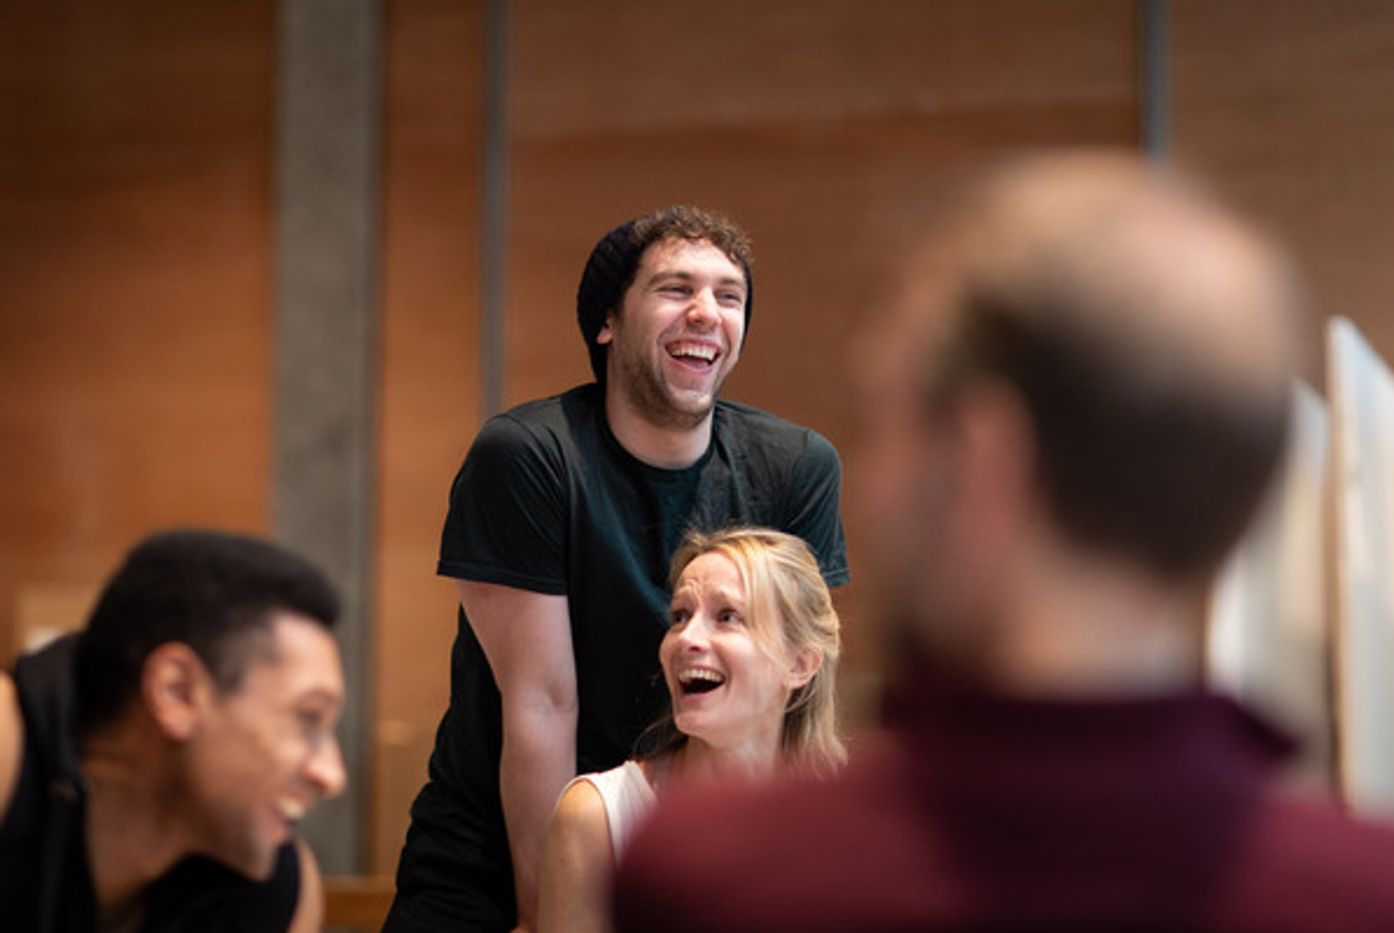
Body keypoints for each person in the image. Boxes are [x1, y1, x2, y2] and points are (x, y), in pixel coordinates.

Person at [613, 151, 1394, 931]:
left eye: (889, 421)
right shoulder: (1367, 894)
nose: (877, 483)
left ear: (989, 458)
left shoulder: (717, 878)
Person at [386, 205, 849, 931]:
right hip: (507, 838)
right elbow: (542, 704)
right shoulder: (530, 455)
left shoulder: (795, 466)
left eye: (729, 296)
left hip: (696, 823)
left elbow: (797, 674)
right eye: (675, 289)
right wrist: (549, 911)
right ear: (607, 322)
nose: (706, 312)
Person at [0, 528, 347, 933]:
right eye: (307, 718)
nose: (331, 776)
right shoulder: (10, 747)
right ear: (176, 692)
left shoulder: (280, 894)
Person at [536, 527, 843, 933]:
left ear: (799, 664)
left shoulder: (845, 829)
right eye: (679, 616)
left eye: (727, 617)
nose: (687, 638)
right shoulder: (598, 816)